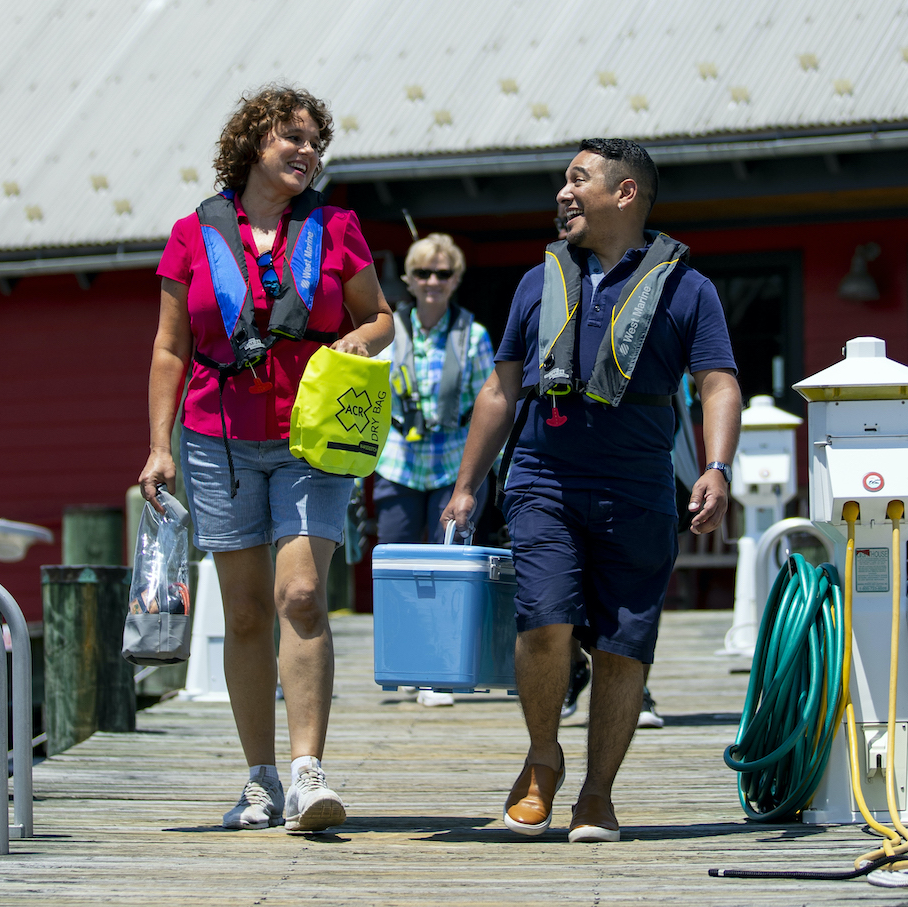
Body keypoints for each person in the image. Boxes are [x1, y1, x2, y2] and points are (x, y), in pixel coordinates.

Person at [443, 138, 742, 842]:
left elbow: (719, 383)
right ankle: (543, 756)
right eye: (562, 182)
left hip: (638, 489)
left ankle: (597, 796)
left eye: (578, 180)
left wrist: (716, 467)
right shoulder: (535, 282)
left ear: (626, 192)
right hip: (543, 478)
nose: (563, 194)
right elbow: (500, 388)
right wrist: (466, 486)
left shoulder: (688, 289)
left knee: (623, 645)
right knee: (543, 618)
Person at [138, 85, 393, 834]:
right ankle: (260, 780)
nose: (307, 150)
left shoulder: (337, 226)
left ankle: (310, 773)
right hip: (216, 439)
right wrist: (159, 447)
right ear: (254, 143)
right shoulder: (191, 234)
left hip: (312, 439)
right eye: (292, 135)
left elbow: (379, 316)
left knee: (303, 596)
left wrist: (361, 338)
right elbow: (169, 348)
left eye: (315, 139)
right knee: (246, 613)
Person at [374, 232, 496, 706]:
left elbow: (491, 407)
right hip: (398, 465)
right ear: (407, 278)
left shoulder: (476, 336)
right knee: (400, 571)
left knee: (446, 573)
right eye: (423, 273)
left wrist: (489, 474)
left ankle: (437, 674)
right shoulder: (388, 331)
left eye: (442, 274)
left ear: (456, 280)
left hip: (453, 470)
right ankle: (407, 664)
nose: (432, 282)